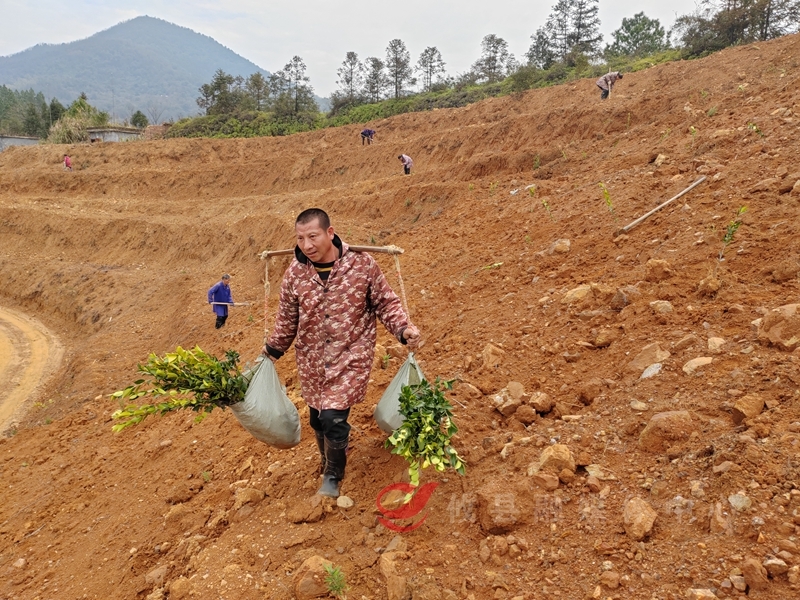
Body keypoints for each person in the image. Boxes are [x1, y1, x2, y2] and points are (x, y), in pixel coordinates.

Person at [264, 208, 420, 497]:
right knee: (316, 418)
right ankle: (327, 459)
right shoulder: (295, 274)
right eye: (300, 238)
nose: (307, 245)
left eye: (313, 236)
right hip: (311, 361)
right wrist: (271, 352)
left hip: (351, 356)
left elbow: (386, 303)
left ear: (330, 233)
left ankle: (333, 474)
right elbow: (287, 319)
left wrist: (403, 329)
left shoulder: (362, 266)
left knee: (333, 417)